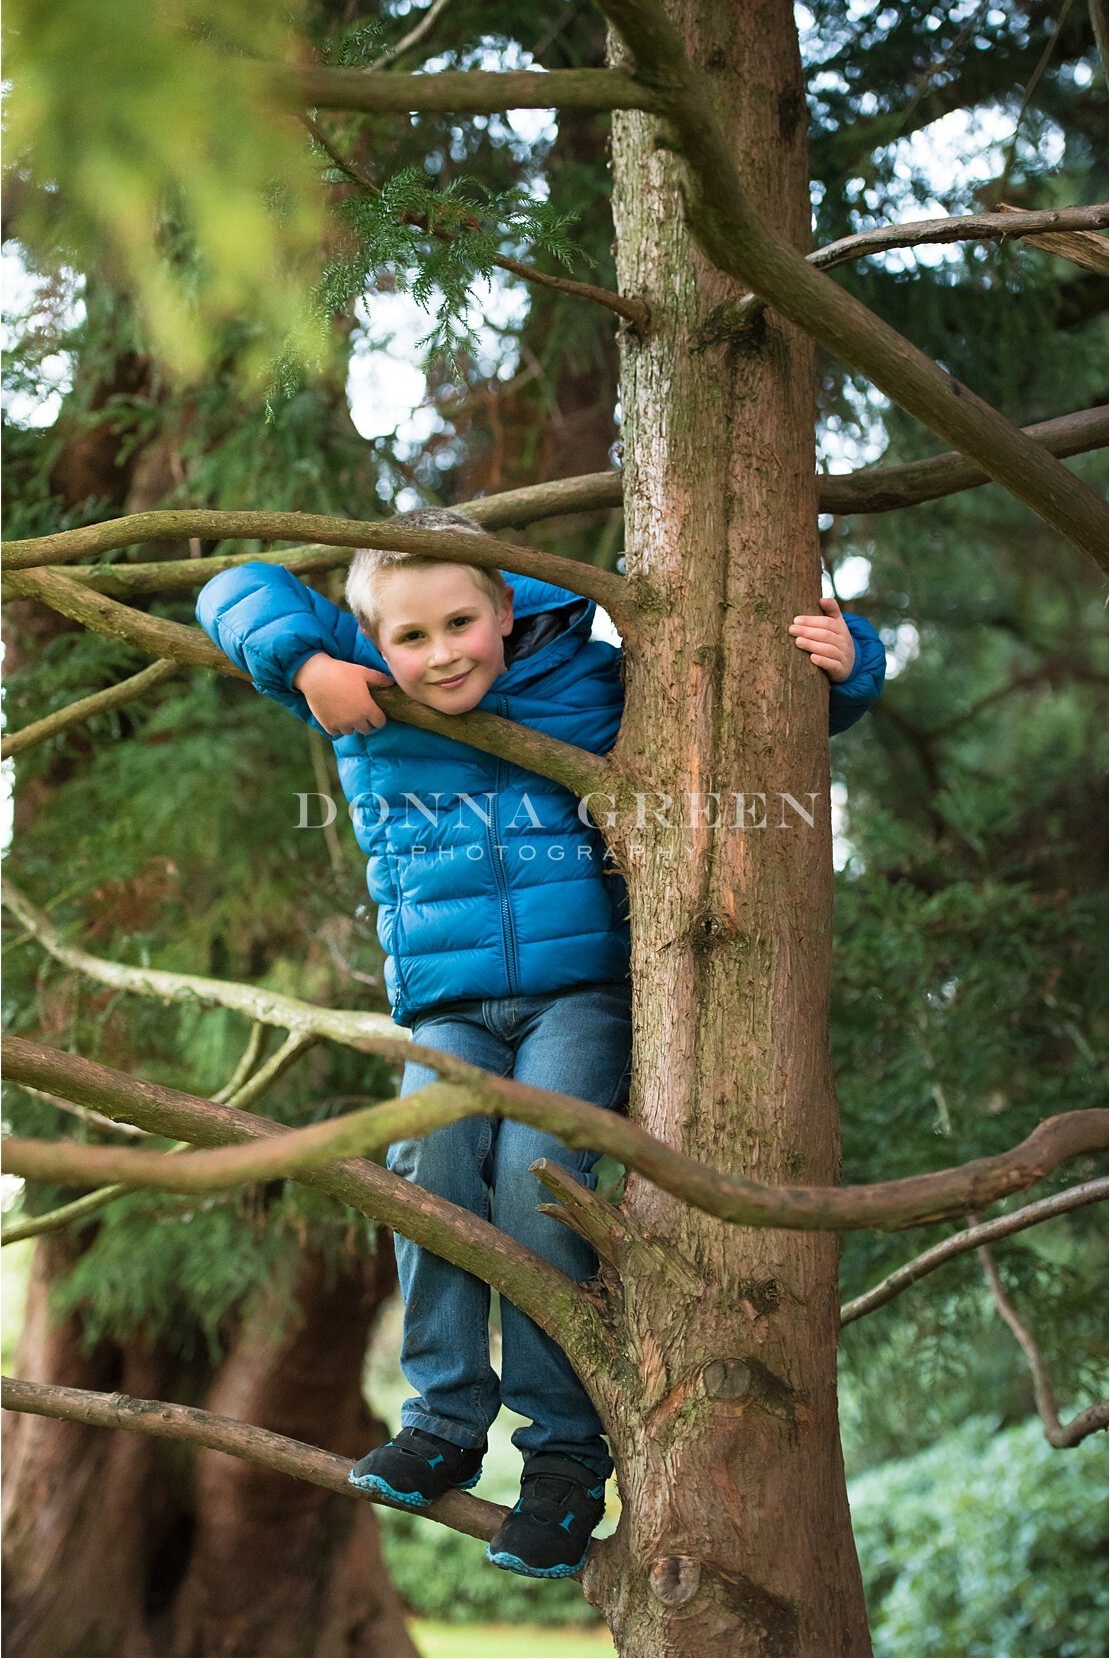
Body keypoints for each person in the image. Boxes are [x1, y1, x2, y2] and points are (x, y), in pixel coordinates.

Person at [195, 509, 886, 1578]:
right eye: (410, 636)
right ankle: (442, 1422)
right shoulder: (358, 685)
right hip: (448, 1006)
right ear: (377, 637)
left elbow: (757, 714)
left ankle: (563, 1462)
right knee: (428, 1165)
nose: (439, 653)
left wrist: (851, 669)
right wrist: (306, 658)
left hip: (581, 996)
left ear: (508, 608)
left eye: (462, 621)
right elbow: (233, 585)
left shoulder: (585, 679)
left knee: (536, 1176)